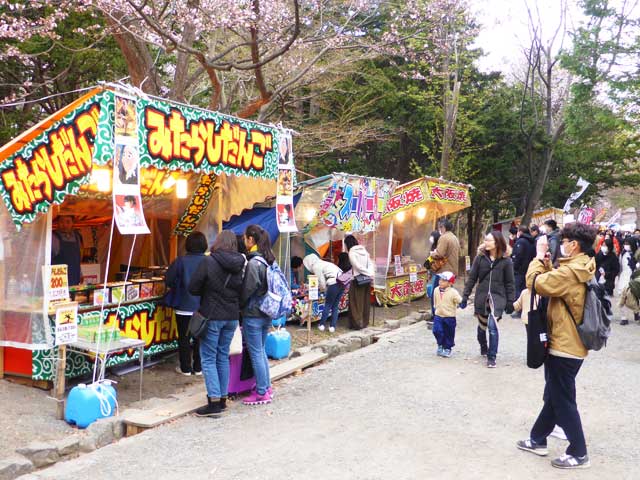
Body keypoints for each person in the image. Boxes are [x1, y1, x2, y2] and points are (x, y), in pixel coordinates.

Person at [517, 222, 597, 470]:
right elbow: (557, 286)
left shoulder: (569, 273)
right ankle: (537, 439)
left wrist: (538, 257)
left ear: (573, 245)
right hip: (569, 343)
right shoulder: (579, 267)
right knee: (554, 396)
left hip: (564, 345)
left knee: (562, 399)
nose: (560, 244)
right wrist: (549, 264)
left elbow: (535, 283)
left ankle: (579, 452)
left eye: (564, 241)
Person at [188, 231, 245, 416]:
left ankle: (213, 402)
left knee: (208, 358)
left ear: (218, 242)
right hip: (231, 316)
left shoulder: (209, 261)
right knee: (222, 356)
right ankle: (222, 398)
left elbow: (193, 287)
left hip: (212, 316)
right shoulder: (241, 263)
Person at [459, 231, 515, 368]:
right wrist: (465, 297)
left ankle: (492, 356)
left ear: (497, 242)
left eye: (489, 240)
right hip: (482, 297)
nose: (486, 242)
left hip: (498, 299)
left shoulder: (506, 261)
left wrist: (510, 301)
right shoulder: (480, 258)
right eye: (485, 240)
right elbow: (472, 278)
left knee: (493, 327)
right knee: (481, 328)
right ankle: (483, 346)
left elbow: (510, 283)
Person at [240, 225, 276, 405]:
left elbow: (248, 288)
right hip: (265, 312)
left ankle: (262, 391)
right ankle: (266, 386)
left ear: (251, 240)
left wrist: (240, 304)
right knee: (260, 351)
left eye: (245, 238)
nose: (244, 241)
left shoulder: (254, 263)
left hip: (253, 314)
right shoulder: (268, 259)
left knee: (256, 352)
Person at [165, 231, 208, 376]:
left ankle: (185, 368)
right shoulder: (209, 261)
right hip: (202, 307)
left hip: (183, 306)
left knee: (184, 338)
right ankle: (198, 367)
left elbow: (168, 280)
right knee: (200, 338)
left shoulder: (180, 261)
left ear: (188, 245)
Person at [303, 254, 343, 333]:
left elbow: (322, 282)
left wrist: (323, 290)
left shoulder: (316, 266)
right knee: (335, 306)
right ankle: (332, 327)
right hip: (342, 282)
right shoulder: (323, 263)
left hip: (333, 283)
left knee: (328, 304)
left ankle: (321, 325)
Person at [429, 220, 460, 315]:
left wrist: (432, 254)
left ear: (443, 227)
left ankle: (436, 315)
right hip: (452, 270)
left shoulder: (444, 238)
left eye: (440, 227)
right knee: (448, 294)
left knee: (436, 293)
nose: (439, 230)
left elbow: (439, 253)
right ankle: (448, 313)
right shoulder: (454, 238)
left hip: (443, 271)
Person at [345, 235, 374, 330]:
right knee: (365, 301)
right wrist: (369, 273)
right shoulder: (364, 251)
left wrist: (366, 272)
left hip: (357, 280)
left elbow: (357, 266)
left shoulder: (351, 252)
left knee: (355, 302)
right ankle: (365, 322)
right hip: (367, 279)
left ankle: (357, 324)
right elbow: (370, 263)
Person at [432, 271, 462, 358]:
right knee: (437, 331)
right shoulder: (436, 290)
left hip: (449, 317)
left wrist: (462, 303)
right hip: (438, 315)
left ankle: (447, 348)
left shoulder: (453, 292)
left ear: (450, 283)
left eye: (443, 280)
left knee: (449, 333)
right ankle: (440, 344)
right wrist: (435, 309)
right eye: (440, 280)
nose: (440, 282)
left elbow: (459, 300)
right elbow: (435, 301)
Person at [512, 225, 537, 316]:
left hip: (520, 270)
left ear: (520, 232)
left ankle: (519, 310)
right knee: (525, 289)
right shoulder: (532, 241)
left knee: (518, 289)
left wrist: (514, 266)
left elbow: (518, 255)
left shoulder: (521, 242)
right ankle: (525, 309)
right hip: (528, 269)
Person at [52, 215, 83, 286]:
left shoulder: (77, 236)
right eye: (61, 221)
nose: (65, 225)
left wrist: (80, 273)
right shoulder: (52, 236)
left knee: (74, 296)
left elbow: (77, 257)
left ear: (73, 223)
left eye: (68, 222)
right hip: (58, 278)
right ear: (57, 222)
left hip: (74, 276)